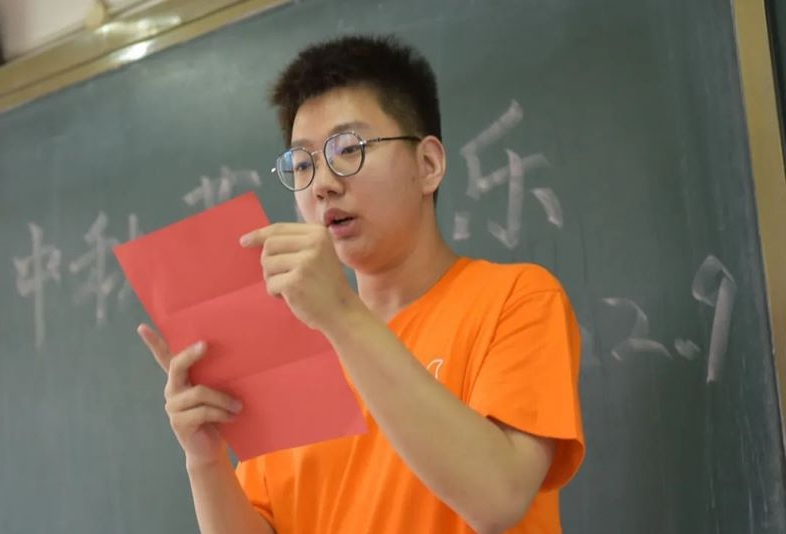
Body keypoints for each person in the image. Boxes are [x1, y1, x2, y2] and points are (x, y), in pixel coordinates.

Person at [137, 34, 584, 534]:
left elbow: (498, 497)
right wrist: (204, 460)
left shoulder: (516, 299)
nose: (322, 184)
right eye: (302, 164)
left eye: (348, 150)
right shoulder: (291, 355)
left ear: (428, 165)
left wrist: (340, 314)